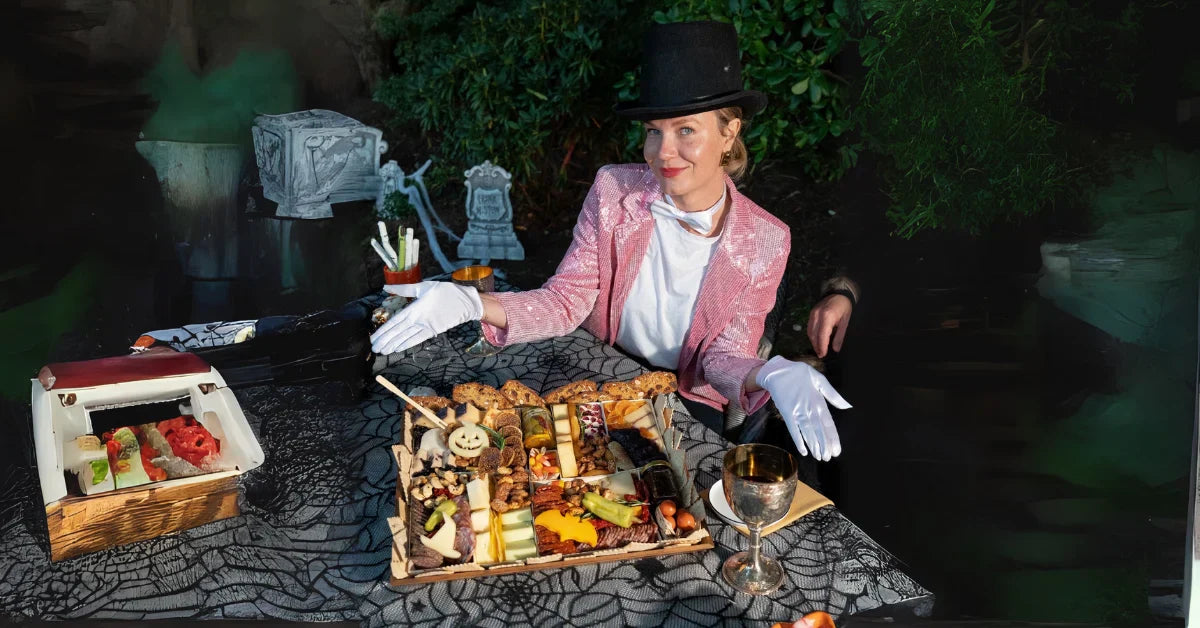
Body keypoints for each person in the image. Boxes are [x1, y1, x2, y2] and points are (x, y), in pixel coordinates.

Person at [371, 21, 857, 461]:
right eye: (652, 131)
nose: (662, 152)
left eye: (686, 130)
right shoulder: (613, 191)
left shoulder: (767, 240)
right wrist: (474, 304)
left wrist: (768, 373)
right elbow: (565, 302)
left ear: (729, 133)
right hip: (598, 371)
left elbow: (721, 359)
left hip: (685, 400)